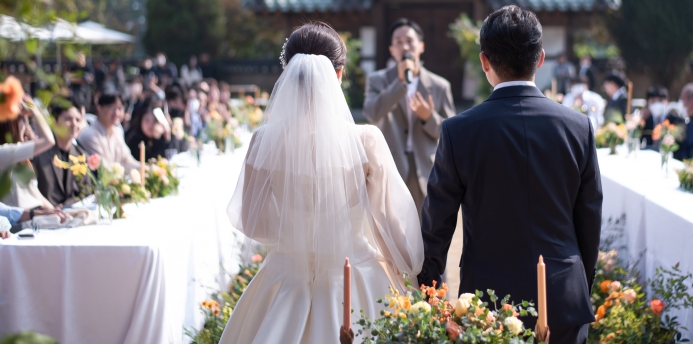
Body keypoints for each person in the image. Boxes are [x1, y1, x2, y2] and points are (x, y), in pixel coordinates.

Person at [220, 22, 422, 344]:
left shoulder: (263, 141)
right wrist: (407, 274)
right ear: (338, 74)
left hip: (284, 276)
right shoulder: (366, 141)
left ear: (287, 74)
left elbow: (252, 222)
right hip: (355, 277)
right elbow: (388, 223)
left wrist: (294, 237)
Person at [419, 5, 602, 344]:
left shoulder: (459, 131)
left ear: (484, 61)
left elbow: (437, 224)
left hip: (486, 299)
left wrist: (428, 292)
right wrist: (579, 284)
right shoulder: (578, 127)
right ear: (541, 58)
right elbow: (589, 220)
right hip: (563, 294)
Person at [363, 18, 456, 214]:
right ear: (391, 49)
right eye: (398, 42)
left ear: (421, 46)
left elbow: (451, 133)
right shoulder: (377, 80)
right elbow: (371, 114)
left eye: (410, 41)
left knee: (426, 227)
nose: (404, 46)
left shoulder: (439, 85)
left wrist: (428, 117)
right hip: (390, 166)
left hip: (427, 168)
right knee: (393, 228)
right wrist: (400, 83)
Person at [30, 99, 87, 207]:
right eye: (68, 119)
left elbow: (86, 190)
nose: (74, 124)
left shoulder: (81, 154)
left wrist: (67, 206)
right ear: (54, 121)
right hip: (44, 212)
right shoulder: (38, 154)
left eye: (78, 120)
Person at [78, 92, 140, 173]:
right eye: (112, 108)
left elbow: (127, 159)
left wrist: (146, 168)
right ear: (99, 108)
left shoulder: (117, 132)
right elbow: (104, 168)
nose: (117, 113)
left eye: (120, 109)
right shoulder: (89, 135)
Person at [125, 95, 187, 161]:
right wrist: (156, 140)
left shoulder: (166, 135)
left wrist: (167, 138)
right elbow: (150, 161)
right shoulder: (134, 139)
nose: (151, 125)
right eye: (147, 120)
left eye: (155, 121)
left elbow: (174, 156)